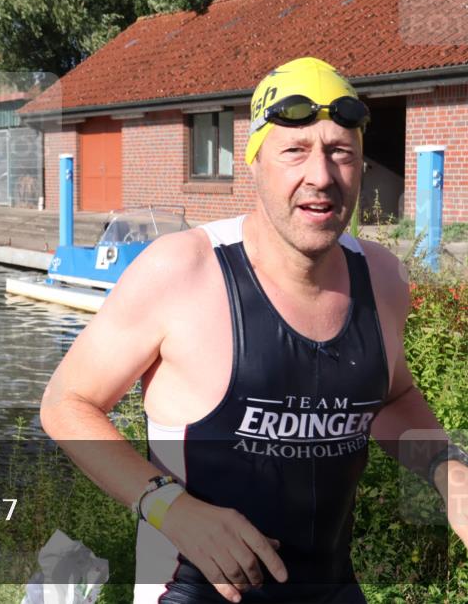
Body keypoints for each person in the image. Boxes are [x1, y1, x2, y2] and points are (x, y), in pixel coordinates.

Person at [40, 57, 468, 604]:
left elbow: (392, 395)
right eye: (295, 151)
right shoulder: (182, 271)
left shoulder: (382, 277)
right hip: (191, 591)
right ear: (256, 164)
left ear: (361, 166)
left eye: (341, 151)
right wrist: (171, 508)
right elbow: (66, 403)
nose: (321, 175)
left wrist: (444, 467)